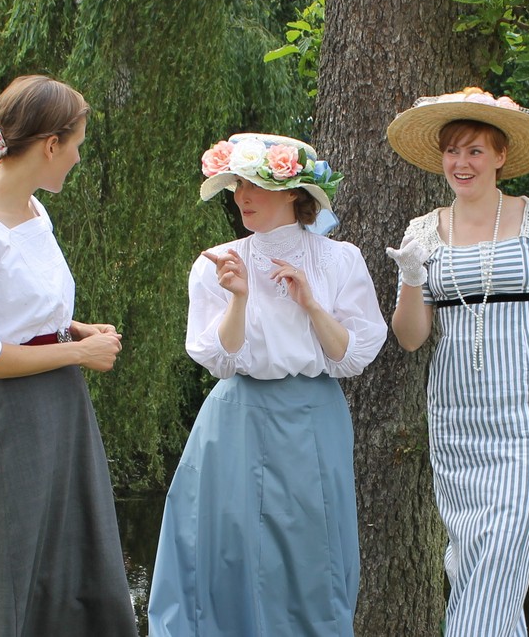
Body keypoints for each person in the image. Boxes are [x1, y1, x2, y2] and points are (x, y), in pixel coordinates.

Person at [148, 133, 388, 636]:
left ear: (294, 192)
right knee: (224, 548)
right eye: (236, 184)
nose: (242, 196)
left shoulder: (339, 260)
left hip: (312, 415)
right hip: (236, 416)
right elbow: (222, 359)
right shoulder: (218, 260)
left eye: (255, 183)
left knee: (310, 549)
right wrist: (238, 297)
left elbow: (351, 356)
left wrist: (311, 304)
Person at [0, 75, 138, 637]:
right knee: (6, 580)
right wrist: (77, 354)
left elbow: (26, 309)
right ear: (50, 145)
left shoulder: (34, 212)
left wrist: (71, 329)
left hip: (60, 414)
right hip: (8, 426)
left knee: (68, 572)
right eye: (75, 147)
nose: (75, 159)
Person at [384, 87, 529, 636]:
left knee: (500, 553)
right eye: (453, 151)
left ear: (501, 156)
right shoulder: (423, 232)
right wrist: (410, 277)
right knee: (477, 563)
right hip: (457, 418)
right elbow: (410, 338)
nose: (462, 163)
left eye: (475, 150)